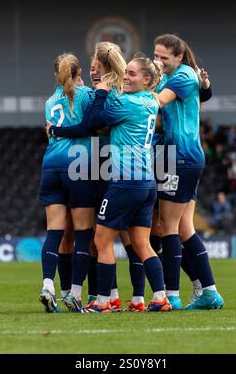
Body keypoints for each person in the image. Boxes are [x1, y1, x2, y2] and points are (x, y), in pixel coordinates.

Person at [48, 44, 148, 312]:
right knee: (97, 236)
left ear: (107, 68)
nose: (93, 73)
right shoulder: (94, 95)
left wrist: (58, 130)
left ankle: (137, 296)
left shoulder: (116, 94)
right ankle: (108, 294)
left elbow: (92, 125)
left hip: (115, 167)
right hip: (92, 165)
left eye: (97, 68)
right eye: (91, 70)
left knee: (126, 236)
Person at [87, 55, 171, 313]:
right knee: (142, 244)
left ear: (147, 79)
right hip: (146, 183)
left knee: (102, 241)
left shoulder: (128, 103)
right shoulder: (149, 100)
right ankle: (160, 298)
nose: (126, 77)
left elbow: (96, 118)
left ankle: (102, 303)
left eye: (132, 74)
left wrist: (102, 87)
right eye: (126, 72)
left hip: (125, 181)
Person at [153, 33, 224, 310]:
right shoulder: (179, 75)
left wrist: (132, 90)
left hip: (180, 157)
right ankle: (208, 291)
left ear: (179, 57)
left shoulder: (181, 77)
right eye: (155, 56)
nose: (158, 61)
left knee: (166, 227)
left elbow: (157, 102)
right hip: (180, 155)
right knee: (183, 227)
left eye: (163, 58)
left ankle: (171, 295)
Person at [39, 52, 95, 313]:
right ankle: (74, 294)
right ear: (79, 72)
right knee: (84, 233)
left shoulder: (49, 101)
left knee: (55, 232)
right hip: (78, 162)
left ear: (55, 75)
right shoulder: (85, 95)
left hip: (51, 164)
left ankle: (48, 286)